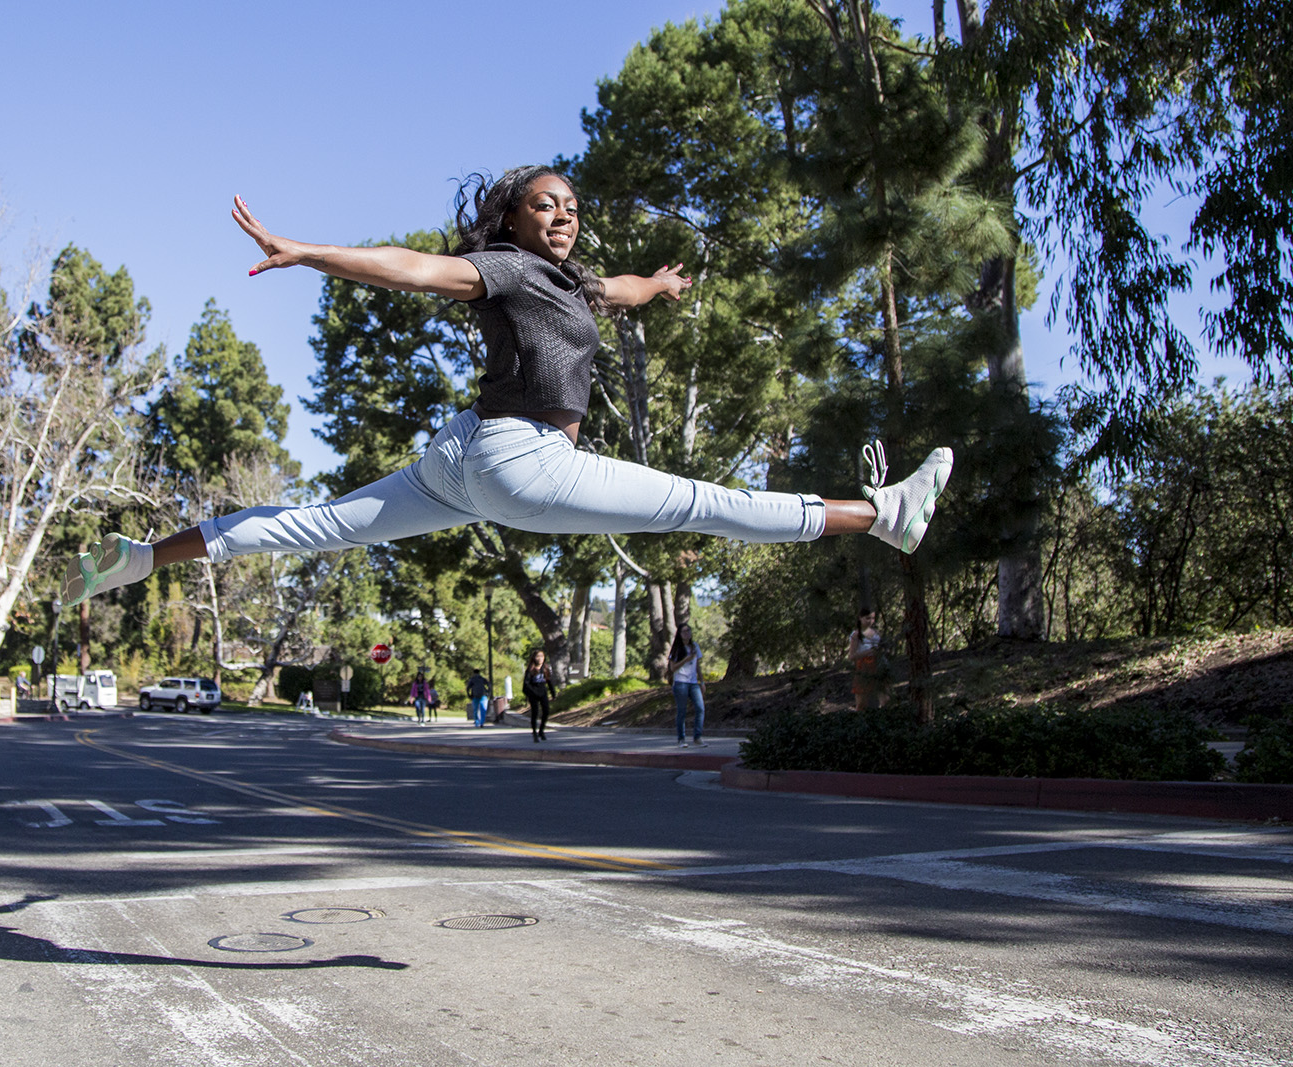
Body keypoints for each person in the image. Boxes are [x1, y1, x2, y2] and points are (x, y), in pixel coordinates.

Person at [59, 167, 953, 609]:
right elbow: (411, 268)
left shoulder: (567, 283)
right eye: (543, 207)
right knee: (702, 504)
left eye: (569, 207)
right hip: (521, 460)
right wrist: (309, 252)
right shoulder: (506, 271)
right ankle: (883, 515)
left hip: (460, 457)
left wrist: (663, 285)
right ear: (512, 221)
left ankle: (141, 557)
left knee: (319, 526)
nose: (561, 217)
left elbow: (620, 291)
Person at [668, 623, 706, 747]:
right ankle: (681, 739)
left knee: (700, 708)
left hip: (693, 682)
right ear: (679, 634)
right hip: (681, 682)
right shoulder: (677, 649)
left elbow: (698, 666)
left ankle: (697, 737)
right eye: (684, 631)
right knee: (682, 711)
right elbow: (672, 668)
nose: (687, 633)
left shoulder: (695, 646)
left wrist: (702, 681)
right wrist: (685, 660)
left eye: (688, 631)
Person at [848, 609, 884, 712]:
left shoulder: (877, 633)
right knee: (861, 703)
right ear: (860, 618)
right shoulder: (856, 635)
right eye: (867, 618)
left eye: (872, 618)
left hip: (877, 666)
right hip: (863, 667)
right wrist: (868, 652)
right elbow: (851, 656)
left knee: (885, 697)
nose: (870, 621)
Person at [522, 649, 556, 742]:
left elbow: (549, 681)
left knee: (546, 711)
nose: (540, 658)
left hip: (543, 692)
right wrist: (530, 693)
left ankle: (541, 730)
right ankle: (534, 732)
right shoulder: (530, 670)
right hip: (533, 693)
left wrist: (553, 693)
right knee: (535, 712)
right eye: (538, 656)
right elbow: (526, 685)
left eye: (542, 656)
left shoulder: (545, 668)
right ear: (534, 658)